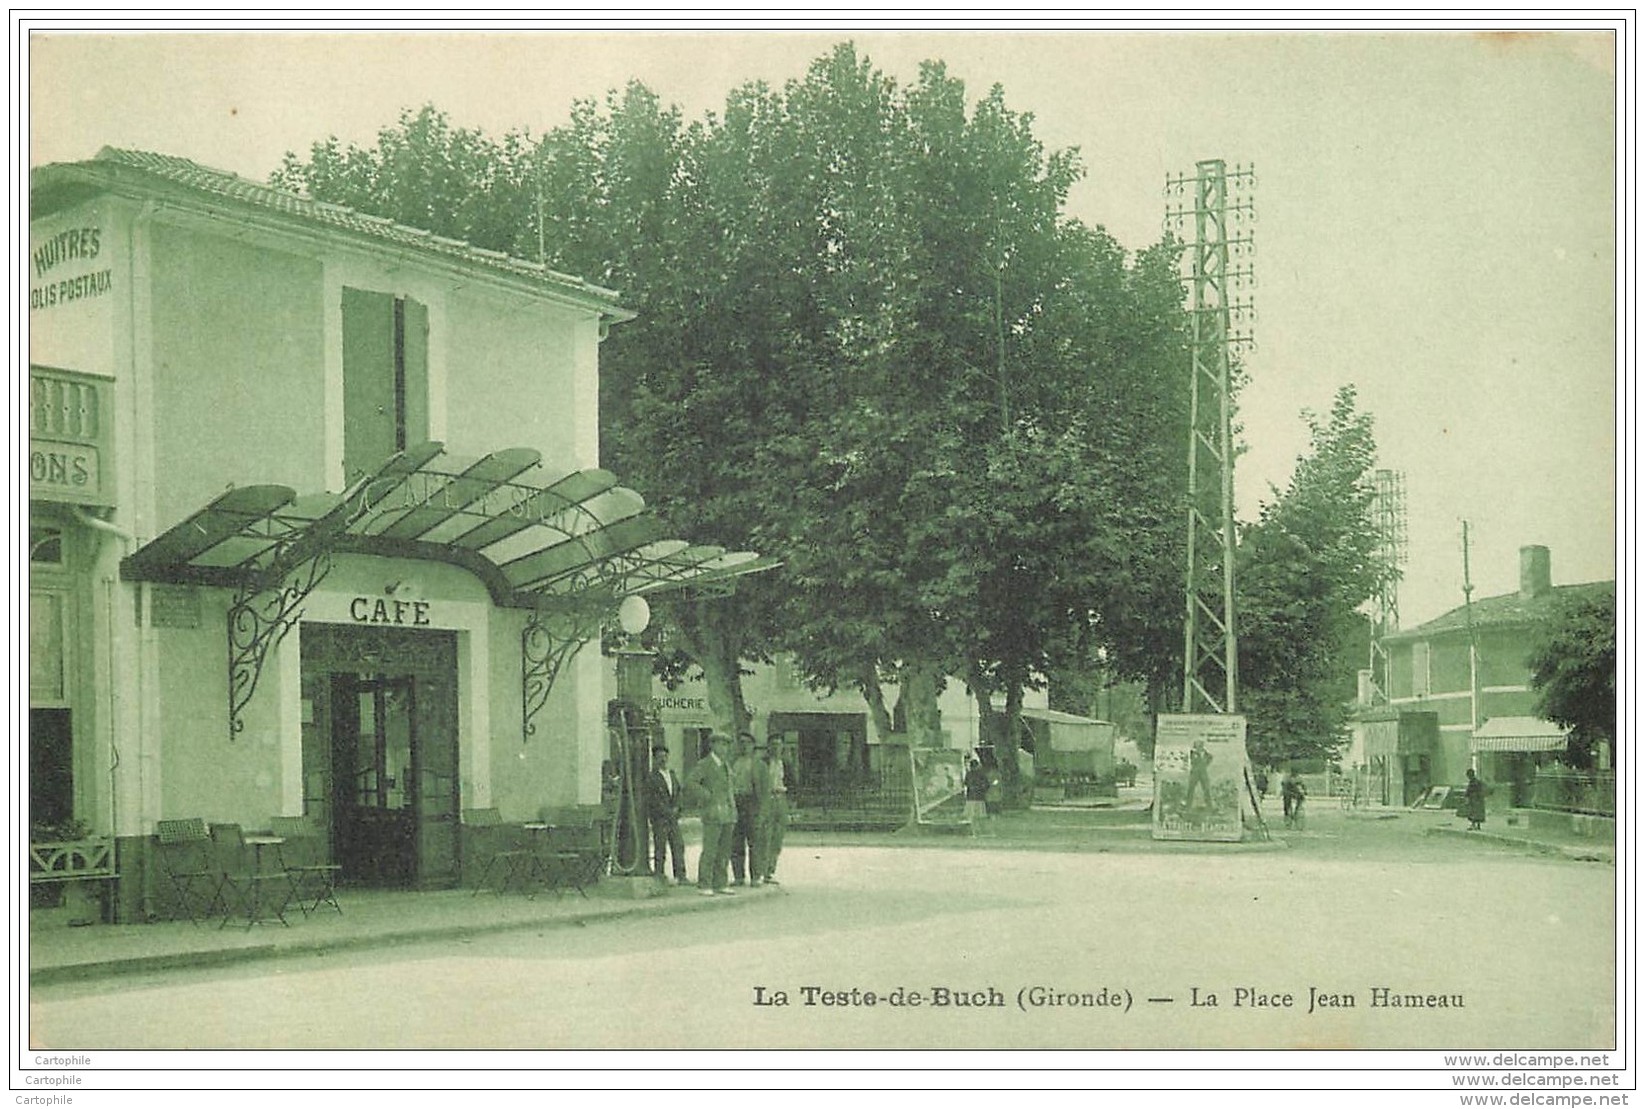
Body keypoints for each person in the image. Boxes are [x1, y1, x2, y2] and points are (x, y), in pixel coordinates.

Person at [684, 732, 737, 895]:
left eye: (726, 745)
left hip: (727, 813)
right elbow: (691, 783)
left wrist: (733, 809)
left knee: (724, 850)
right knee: (710, 850)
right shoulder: (705, 764)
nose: (724, 748)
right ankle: (705, 883)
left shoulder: (726, 765)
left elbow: (729, 790)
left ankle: (721, 882)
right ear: (712, 745)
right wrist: (706, 795)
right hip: (712, 812)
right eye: (721, 744)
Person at [645, 742, 687, 884]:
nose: (663, 760)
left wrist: (678, 808)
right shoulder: (652, 777)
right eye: (659, 757)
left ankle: (680, 875)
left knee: (678, 846)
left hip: (673, 818)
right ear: (654, 759)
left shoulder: (672, 774)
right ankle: (659, 874)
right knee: (660, 847)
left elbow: (678, 793)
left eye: (665, 757)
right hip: (660, 818)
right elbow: (653, 799)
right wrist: (668, 812)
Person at [729, 732, 762, 886]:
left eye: (747, 743)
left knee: (754, 842)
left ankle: (755, 877)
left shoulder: (759, 764)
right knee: (736, 841)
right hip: (736, 802)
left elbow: (763, 789)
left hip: (751, 803)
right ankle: (738, 876)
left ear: (753, 746)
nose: (744, 746)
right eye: (741, 742)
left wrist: (761, 809)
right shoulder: (733, 763)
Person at [755, 738, 789, 885]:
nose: (776, 748)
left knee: (777, 836)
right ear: (768, 746)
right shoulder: (763, 763)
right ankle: (761, 870)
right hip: (767, 798)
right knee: (765, 835)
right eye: (773, 745)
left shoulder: (785, 763)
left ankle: (770, 871)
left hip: (781, 797)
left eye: (779, 745)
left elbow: (792, 782)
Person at [964, 754, 993, 836]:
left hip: (971, 798)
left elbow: (966, 784)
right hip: (980, 798)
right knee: (980, 816)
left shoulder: (969, 774)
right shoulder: (981, 774)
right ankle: (981, 832)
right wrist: (982, 790)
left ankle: (975, 833)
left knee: (972, 817)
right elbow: (987, 785)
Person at [1185, 739, 1213, 809]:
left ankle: (1209, 805)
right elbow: (1188, 759)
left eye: (1199, 746)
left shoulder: (1206, 754)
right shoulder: (1191, 753)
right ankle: (1188, 805)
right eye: (1196, 746)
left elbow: (1210, 758)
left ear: (1202, 746)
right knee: (1191, 789)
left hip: (1203, 773)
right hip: (1194, 773)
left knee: (1206, 789)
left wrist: (1205, 764)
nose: (1197, 747)